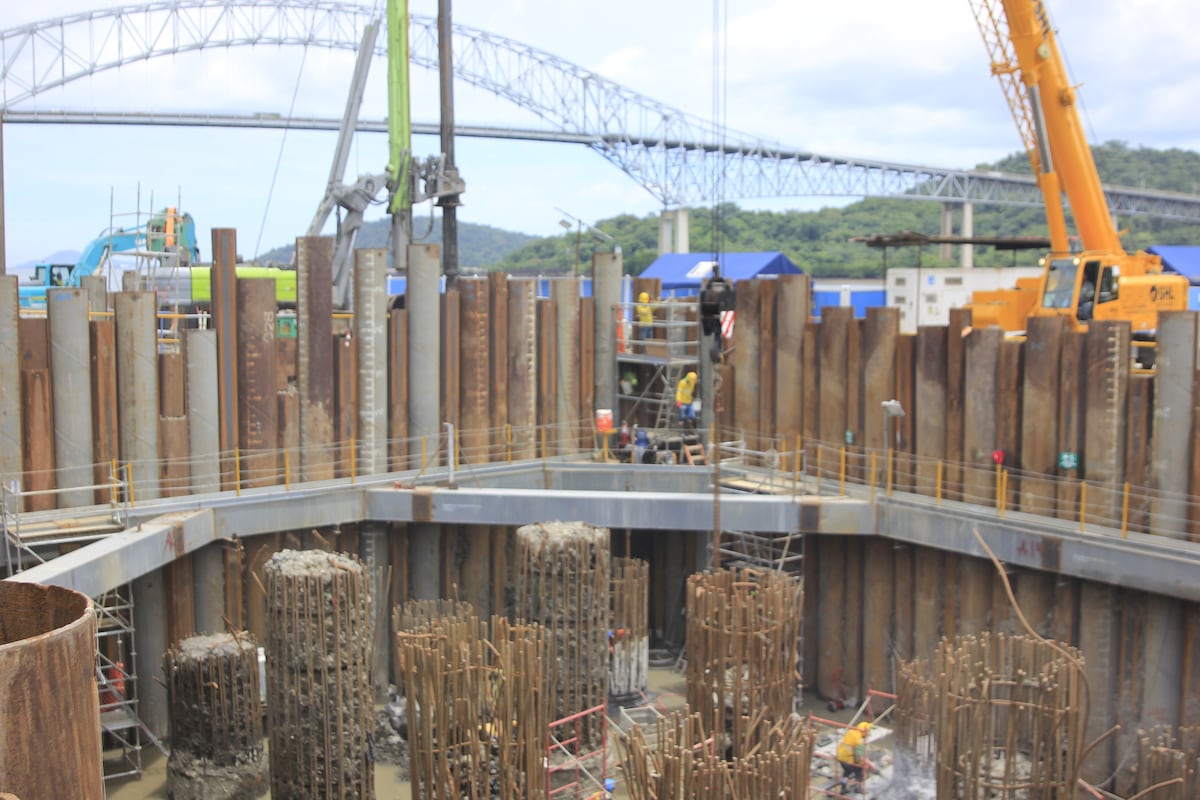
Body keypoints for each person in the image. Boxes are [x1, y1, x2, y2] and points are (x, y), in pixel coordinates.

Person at [836, 721, 874, 794]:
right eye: (868, 731)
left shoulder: (851, 731)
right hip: (848, 759)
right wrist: (865, 764)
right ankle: (858, 788)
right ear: (864, 731)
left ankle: (843, 788)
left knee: (847, 772)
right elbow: (858, 757)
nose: (869, 733)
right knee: (860, 770)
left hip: (840, 757)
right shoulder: (860, 740)